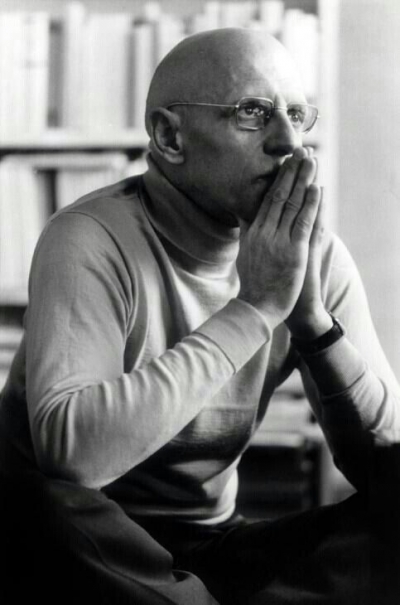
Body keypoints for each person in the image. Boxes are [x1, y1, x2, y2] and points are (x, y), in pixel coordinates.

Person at [0, 28, 399, 605]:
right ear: (169, 137)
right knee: (40, 504)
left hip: (212, 543)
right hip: (95, 539)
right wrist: (255, 309)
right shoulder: (87, 237)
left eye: (296, 115)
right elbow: (75, 459)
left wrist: (313, 323)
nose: (288, 142)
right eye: (253, 112)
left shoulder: (310, 254)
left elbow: (384, 468)